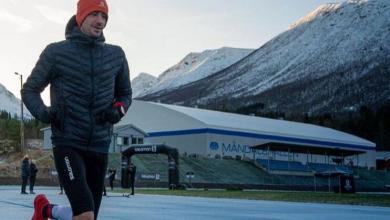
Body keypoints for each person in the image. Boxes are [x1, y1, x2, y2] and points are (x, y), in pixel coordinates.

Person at [21, 0, 132, 219]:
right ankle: (46, 210)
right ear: (81, 17)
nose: (100, 21)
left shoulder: (116, 55)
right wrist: (45, 113)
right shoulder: (56, 52)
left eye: (104, 16)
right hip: (68, 142)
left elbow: (125, 94)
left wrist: (118, 110)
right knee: (86, 215)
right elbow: (30, 90)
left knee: (87, 215)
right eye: (94, 14)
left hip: (100, 144)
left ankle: (45, 210)